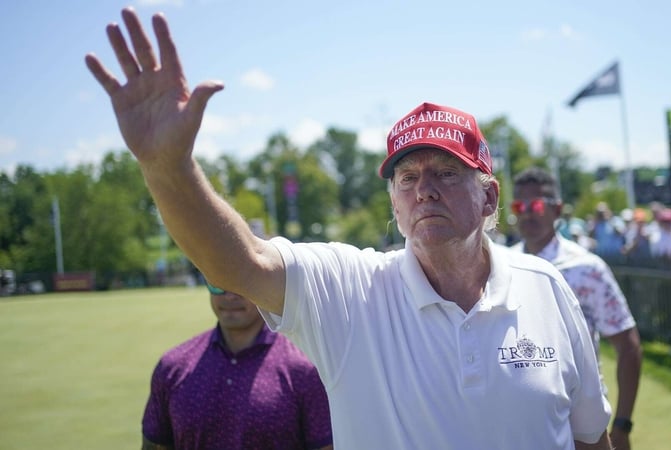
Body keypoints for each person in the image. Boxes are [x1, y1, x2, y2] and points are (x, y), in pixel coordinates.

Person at [86, 8, 612, 449]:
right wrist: (167, 167)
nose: (424, 189)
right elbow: (240, 262)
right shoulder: (352, 290)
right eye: (407, 177)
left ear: (490, 196)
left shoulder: (548, 288)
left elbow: (591, 438)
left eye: (446, 173)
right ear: (395, 205)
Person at [509, 167, 642, 450]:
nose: (526, 212)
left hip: (583, 428)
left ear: (557, 210)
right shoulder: (501, 266)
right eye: (519, 205)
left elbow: (628, 346)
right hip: (523, 426)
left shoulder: (587, 268)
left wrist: (622, 424)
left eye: (536, 204)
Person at [142, 282, 333, 450]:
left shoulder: (304, 369)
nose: (229, 295)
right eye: (217, 282)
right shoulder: (173, 366)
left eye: (240, 283)